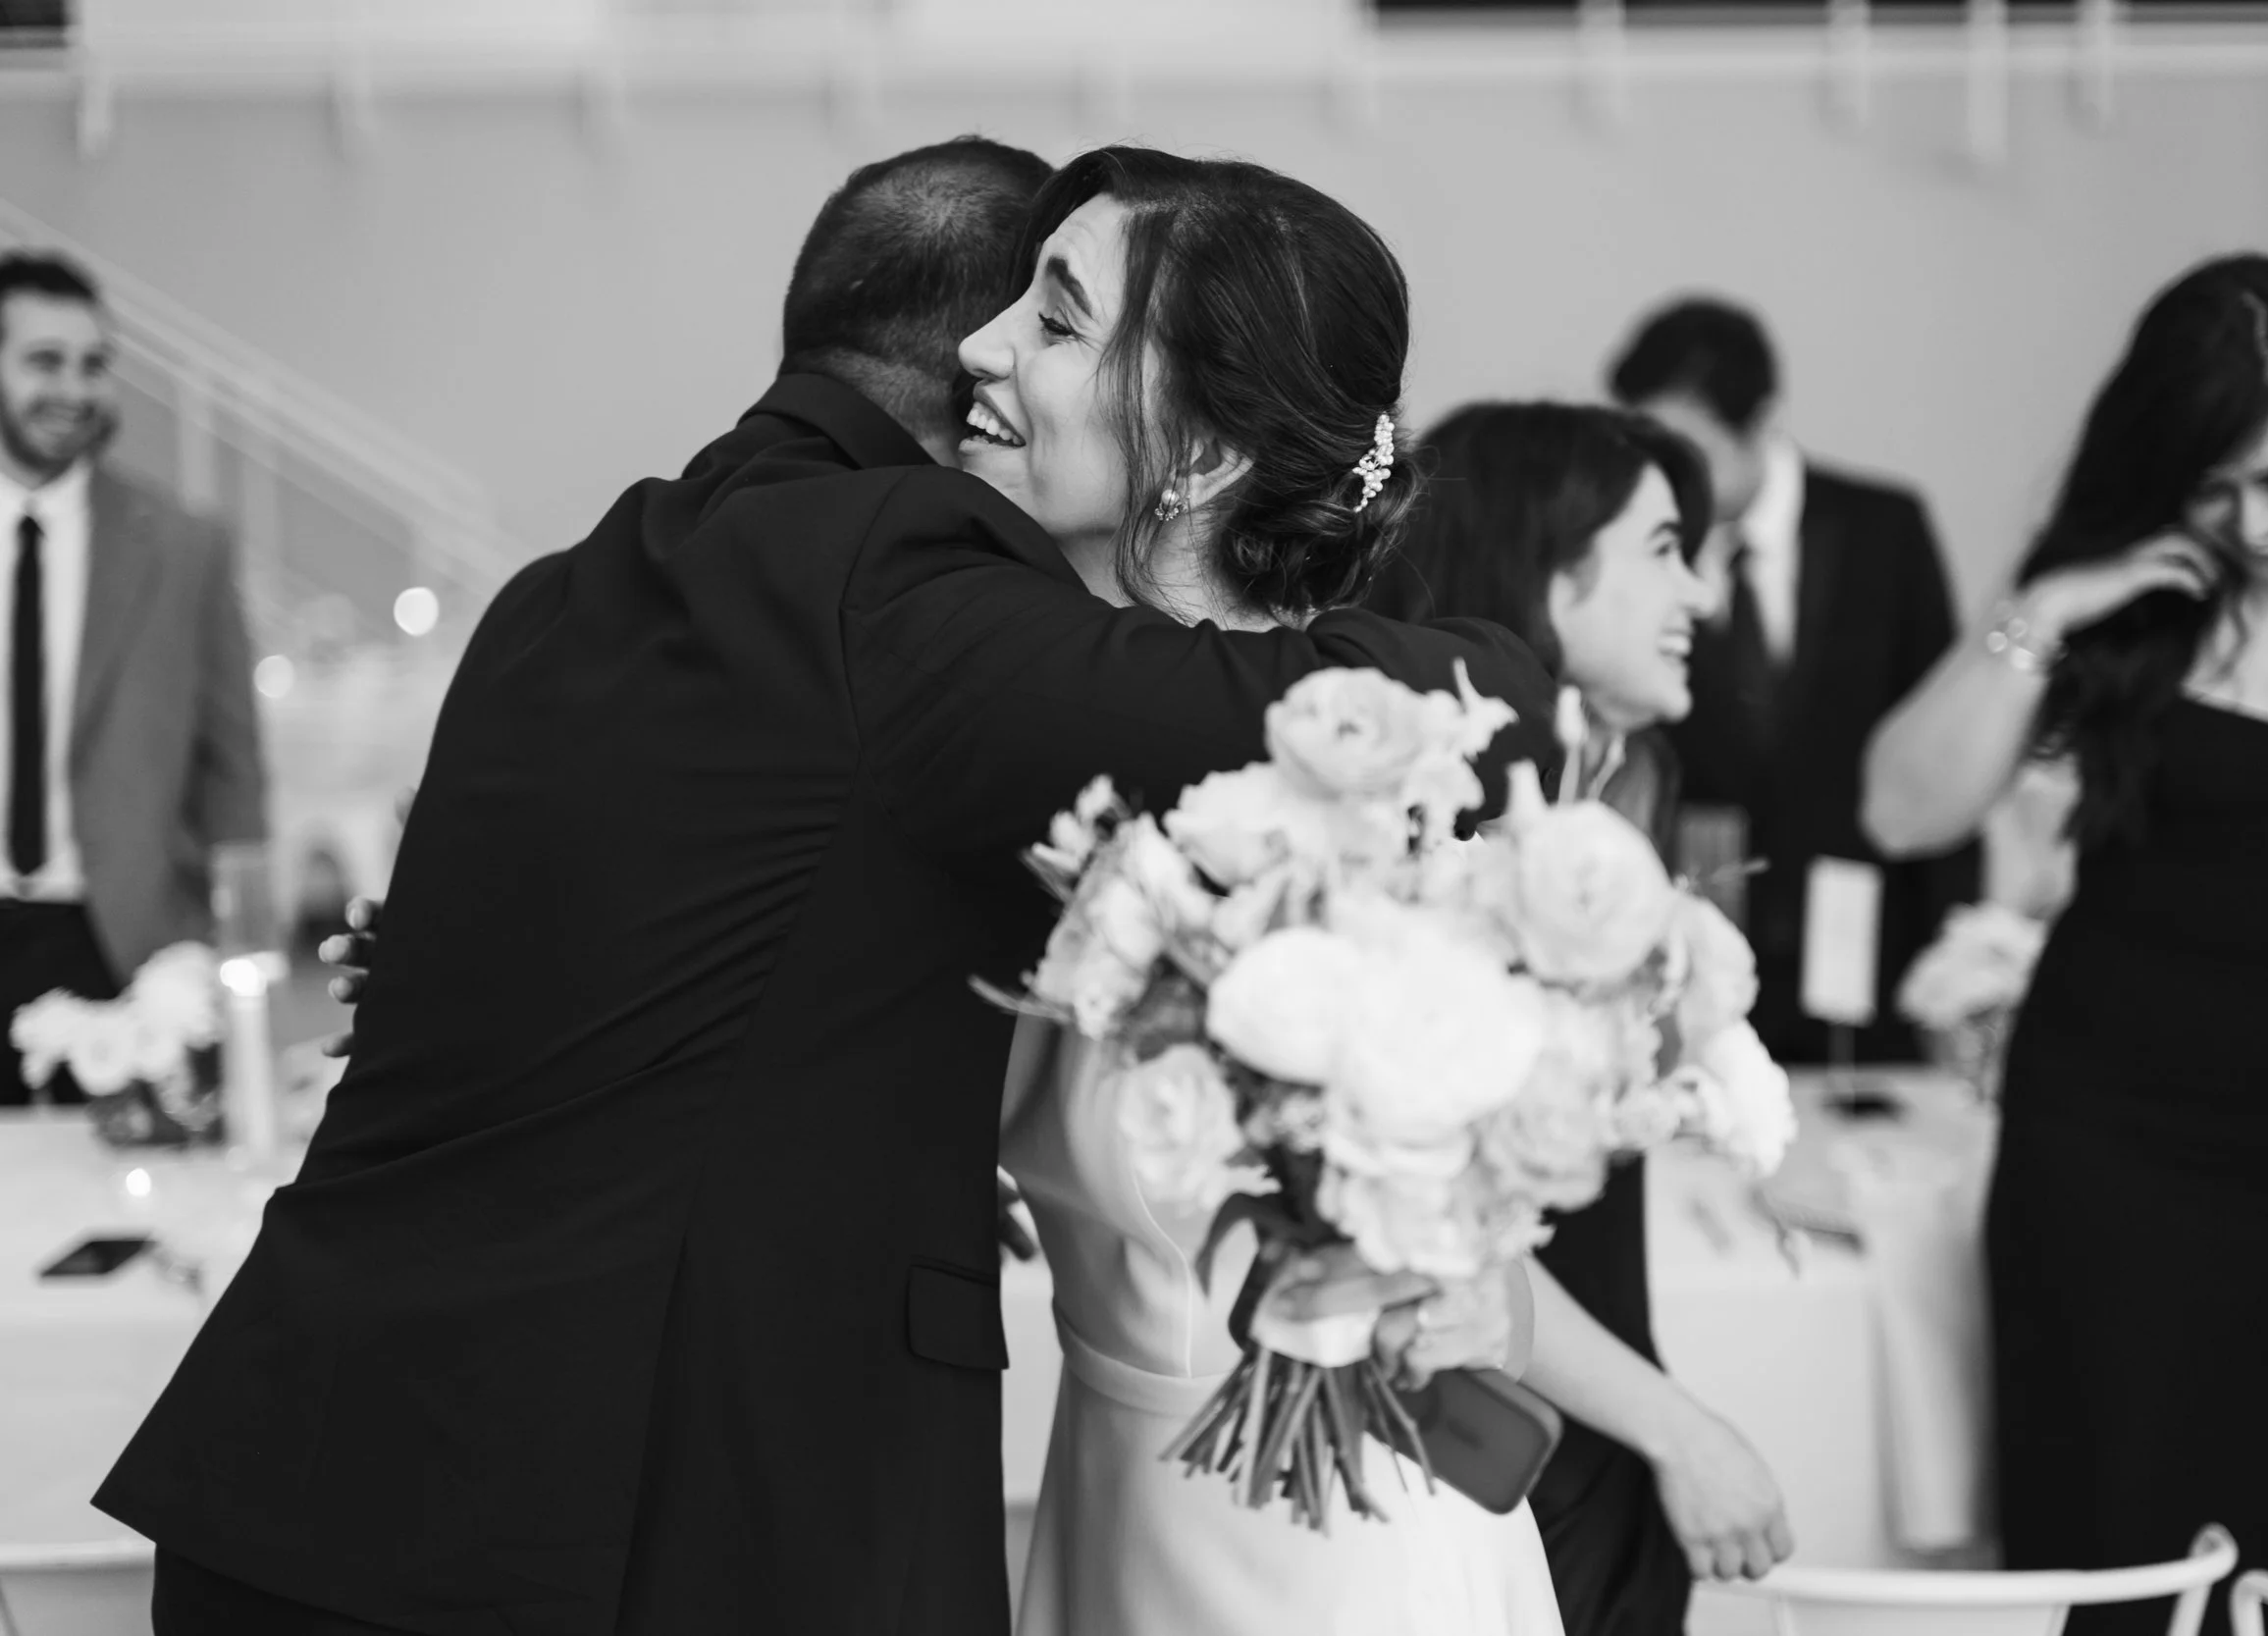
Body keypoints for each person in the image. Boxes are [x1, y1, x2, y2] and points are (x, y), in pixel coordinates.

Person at [97, 136, 1559, 1636]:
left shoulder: (572, 590)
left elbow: (713, 980)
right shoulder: (911, 589)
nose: (1006, 352)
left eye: (1058, 319)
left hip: (307, 1483)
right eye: (1024, 308)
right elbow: (1473, 704)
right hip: (614, 1540)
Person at [973, 150, 1566, 1636]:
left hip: (1322, 1548)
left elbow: (1476, 1218)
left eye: (1053, 320)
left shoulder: (1365, 786)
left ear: (1206, 455)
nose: (980, 346)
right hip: (1112, 1496)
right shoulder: (1035, 735)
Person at [1862, 254, 2268, 1632]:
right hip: (2109, 1162)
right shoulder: (2120, 604)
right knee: (2118, 1581)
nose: (2253, 521)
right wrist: (2046, 609)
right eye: (2215, 483)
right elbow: (1902, 804)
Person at [1369, 401, 1793, 1633]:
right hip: (1480, 1432)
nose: (1701, 596)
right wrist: (1684, 1430)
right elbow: (1444, 1233)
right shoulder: (1445, 846)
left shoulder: (1609, 805)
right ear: (1547, 571)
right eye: (1664, 548)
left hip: (1579, 1407)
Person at [1610, 297, 1978, 1065]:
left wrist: (1955, 953)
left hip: (1868, 948)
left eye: (1693, 452)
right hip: (1712, 943)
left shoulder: (1885, 530)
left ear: (1765, 420)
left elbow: (1942, 744)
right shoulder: (1646, 550)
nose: (1672, 482)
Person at [0, 250, 266, 1104]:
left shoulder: (185, 544)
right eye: (44, 361)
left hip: (122, 941)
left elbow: (235, 770)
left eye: (92, 364)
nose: (73, 390)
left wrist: (239, 959)